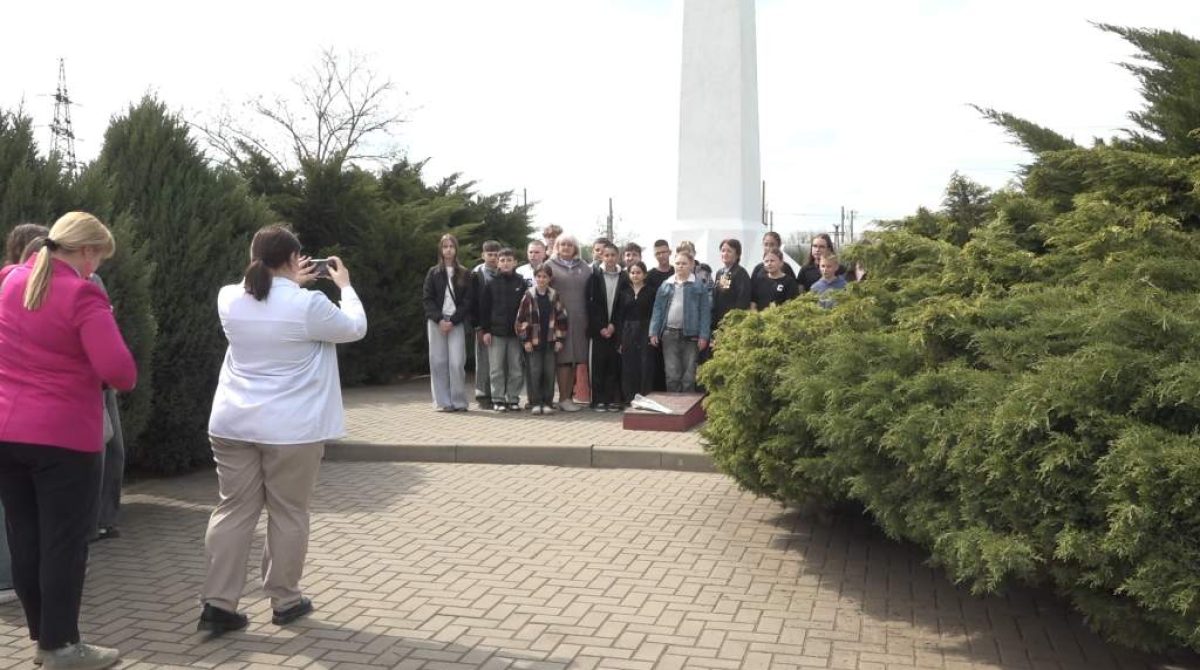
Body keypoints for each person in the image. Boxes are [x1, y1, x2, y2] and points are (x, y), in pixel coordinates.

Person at [199, 225, 367, 635]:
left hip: (232, 423)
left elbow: (262, 293)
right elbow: (354, 327)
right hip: (291, 430)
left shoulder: (228, 297)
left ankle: (217, 604)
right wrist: (344, 286)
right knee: (288, 512)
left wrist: (290, 279)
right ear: (294, 260)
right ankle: (285, 599)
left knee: (233, 510)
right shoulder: (308, 304)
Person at [0, 212, 136, 669]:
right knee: (64, 544)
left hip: (6, 431)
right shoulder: (82, 295)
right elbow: (121, 372)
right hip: (64, 438)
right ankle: (60, 647)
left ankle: (44, 638)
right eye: (98, 256)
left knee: (26, 539)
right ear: (87, 250)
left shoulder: (9, 280)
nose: (97, 267)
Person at [648, 250, 711, 393]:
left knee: (689, 375)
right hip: (669, 334)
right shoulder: (666, 284)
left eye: (684, 263)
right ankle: (674, 408)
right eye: (677, 263)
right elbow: (657, 309)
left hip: (692, 336)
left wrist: (704, 335)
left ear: (692, 265)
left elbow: (705, 312)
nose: (680, 266)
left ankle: (687, 409)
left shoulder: (698, 285)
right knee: (672, 374)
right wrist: (653, 332)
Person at [422, 234, 473, 412]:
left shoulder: (465, 273)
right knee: (438, 362)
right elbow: (427, 299)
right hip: (437, 323)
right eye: (445, 247)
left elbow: (468, 301)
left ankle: (459, 401)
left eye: (451, 246)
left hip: (456, 322)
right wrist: (439, 319)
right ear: (441, 250)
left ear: (456, 249)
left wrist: (453, 320)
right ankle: (443, 402)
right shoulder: (433, 272)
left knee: (457, 362)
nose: (448, 249)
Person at [478, 248, 527, 412]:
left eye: (509, 260)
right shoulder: (491, 283)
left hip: (515, 334)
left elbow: (526, 309)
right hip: (496, 333)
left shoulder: (521, 283)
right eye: (502, 260)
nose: (506, 263)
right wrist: (486, 331)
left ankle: (513, 398)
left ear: (515, 263)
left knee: (516, 368)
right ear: (498, 263)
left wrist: (524, 329)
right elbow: (484, 309)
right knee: (496, 369)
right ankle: (498, 399)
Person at [515, 265, 568, 414]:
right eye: (539, 276)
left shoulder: (554, 295)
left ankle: (547, 402)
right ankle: (534, 402)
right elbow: (520, 320)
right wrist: (525, 340)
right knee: (534, 372)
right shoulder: (528, 295)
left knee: (549, 372)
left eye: (545, 277)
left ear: (550, 278)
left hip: (550, 341)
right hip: (534, 342)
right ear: (535, 278)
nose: (541, 279)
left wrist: (560, 339)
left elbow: (562, 318)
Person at [546, 235, 590, 412]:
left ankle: (568, 397)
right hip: (557, 320)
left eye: (570, 244)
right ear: (557, 246)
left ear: (575, 248)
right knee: (562, 359)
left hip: (580, 320)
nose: (566, 247)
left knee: (575, 359)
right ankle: (561, 398)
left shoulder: (585, 267)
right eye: (562, 244)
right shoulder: (549, 265)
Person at [586, 242, 627, 411]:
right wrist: (601, 326)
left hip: (614, 329)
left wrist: (613, 326)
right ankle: (598, 400)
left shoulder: (624, 277)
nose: (610, 259)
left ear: (618, 257)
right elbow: (590, 305)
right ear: (602, 257)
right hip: (598, 331)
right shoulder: (594, 276)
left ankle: (610, 399)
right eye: (606, 255)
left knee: (613, 365)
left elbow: (622, 305)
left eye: (613, 255)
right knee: (598, 365)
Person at [617, 261, 655, 403]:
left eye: (638, 272)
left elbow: (654, 314)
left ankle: (645, 397)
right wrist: (619, 340)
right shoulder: (624, 292)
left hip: (645, 330)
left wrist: (652, 333)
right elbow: (619, 316)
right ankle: (629, 398)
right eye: (632, 272)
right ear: (628, 274)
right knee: (629, 365)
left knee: (645, 365)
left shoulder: (651, 292)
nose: (635, 275)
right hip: (627, 331)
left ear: (644, 274)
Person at [470, 241, 501, 409]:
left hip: (499, 324)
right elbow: (473, 302)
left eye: (496, 255)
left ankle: (497, 394)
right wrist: (478, 326)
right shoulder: (477, 274)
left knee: (497, 361)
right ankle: (482, 395)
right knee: (483, 360)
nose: (494, 258)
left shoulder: (503, 272)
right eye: (490, 254)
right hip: (482, 325)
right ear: (483, 255)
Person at [711, 238, 752, 337]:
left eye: (729, 251)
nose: (725, 253)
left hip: (732, 324)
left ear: (737, 255)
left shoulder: (740, 273)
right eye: (723, 250)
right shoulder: (721, 272)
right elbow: (721, 295)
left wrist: (734, 320)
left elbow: (743, 300)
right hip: (719, 322)